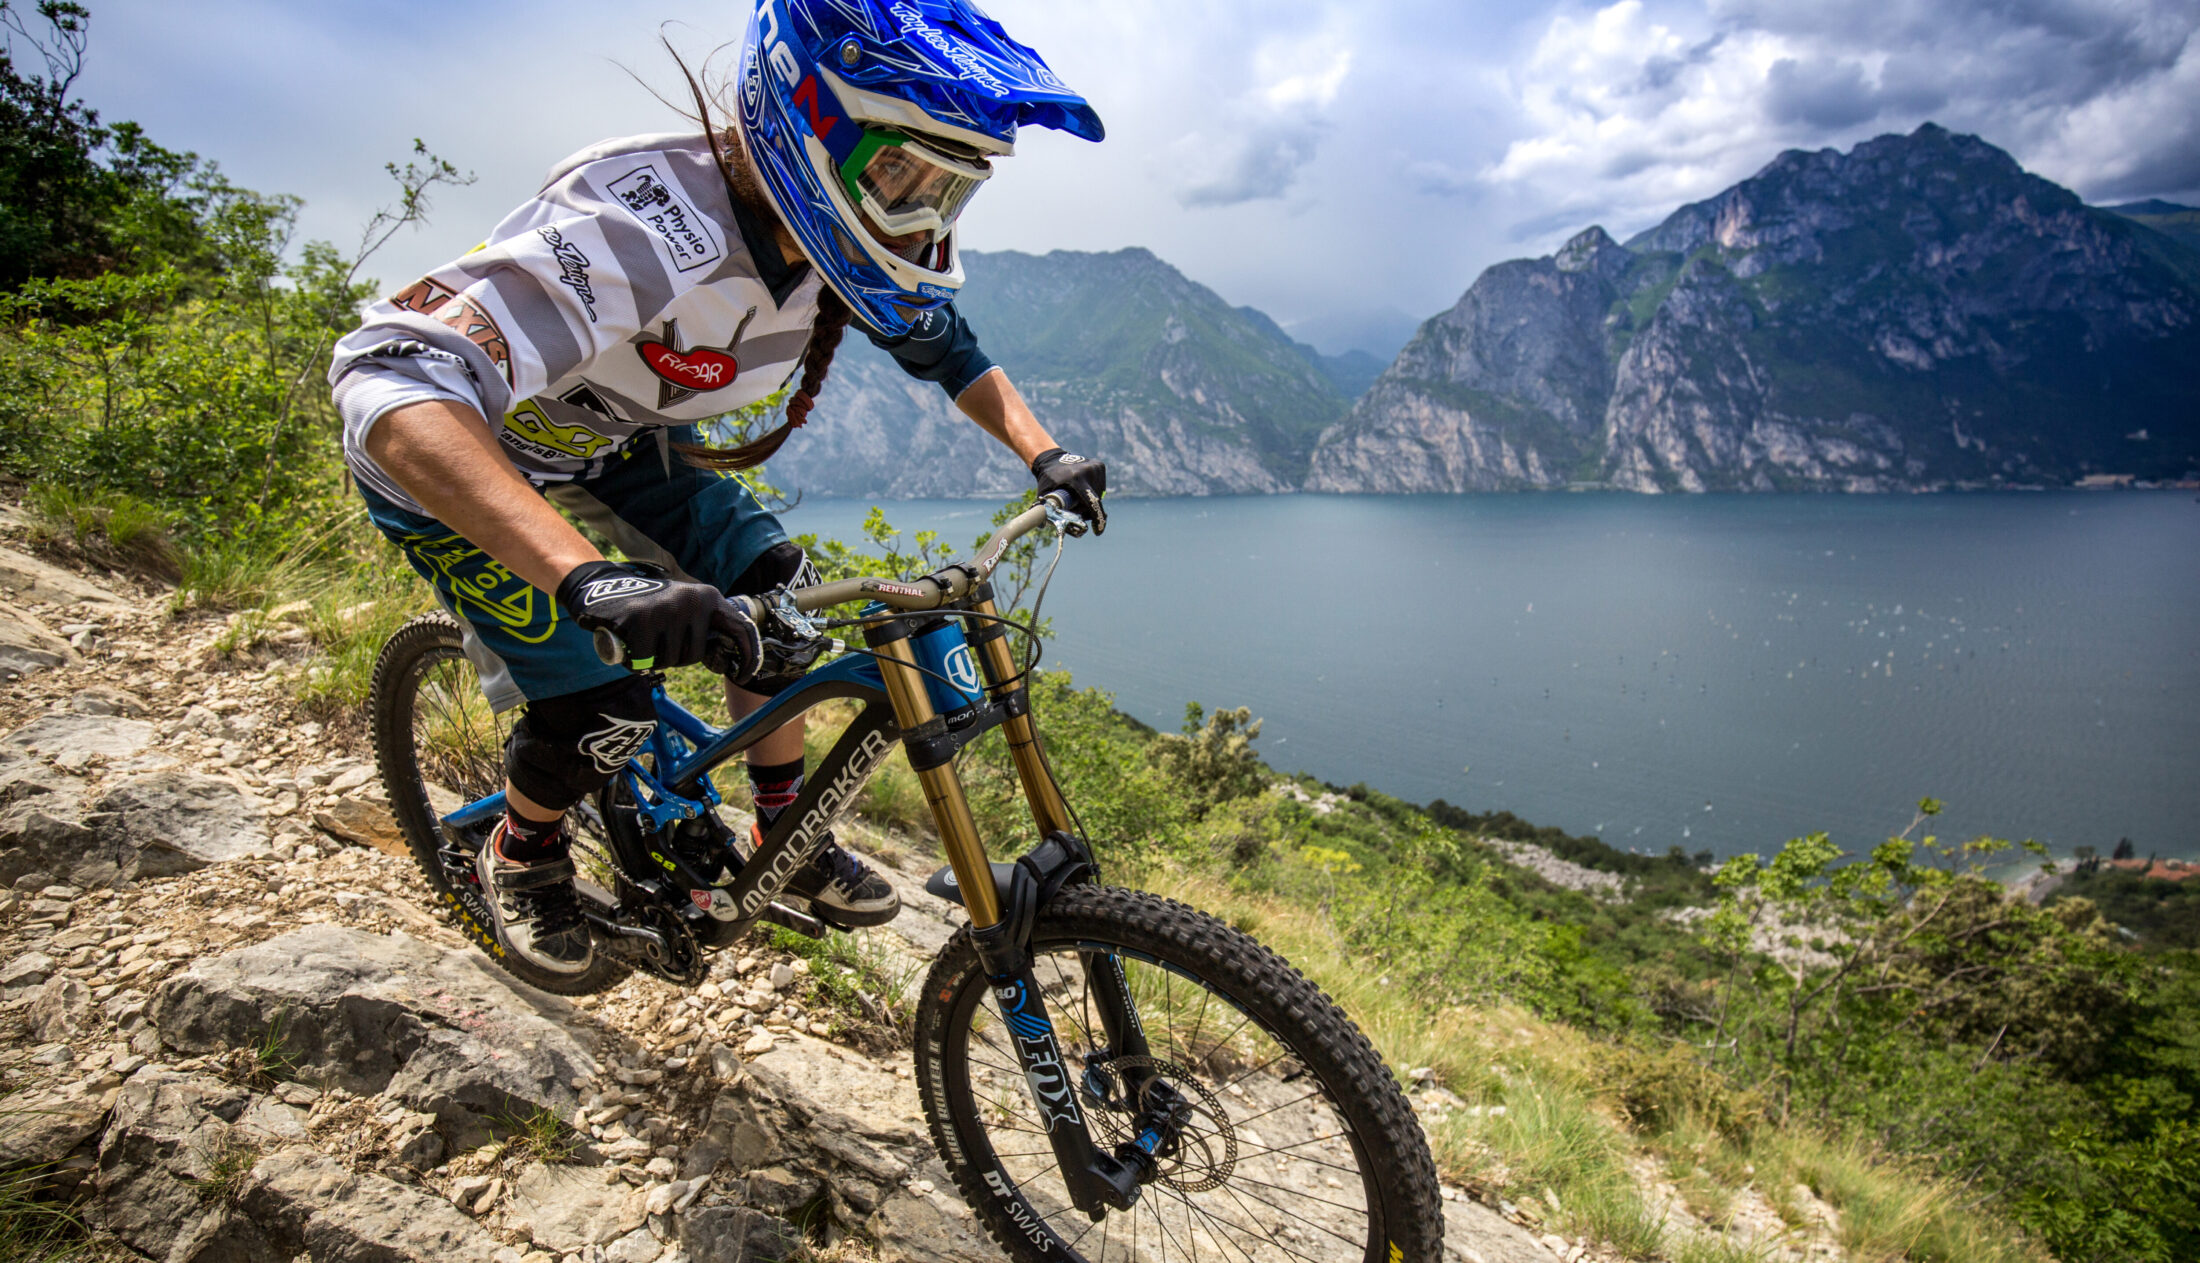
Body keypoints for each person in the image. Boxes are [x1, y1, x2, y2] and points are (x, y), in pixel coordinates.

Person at [327, 0, 1109, 977]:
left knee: (777, 599)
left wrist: (1047, 456)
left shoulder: (821, 245)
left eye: (947, 194)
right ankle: (520, 856)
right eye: (902, 178)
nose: (922, 223)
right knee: (597, 705)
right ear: (811, 128)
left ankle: (784, 836)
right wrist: (592, 580)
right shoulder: (645, 224)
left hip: (614, 442)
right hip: (465, 462)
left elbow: (948, 350)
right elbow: (394, 378)